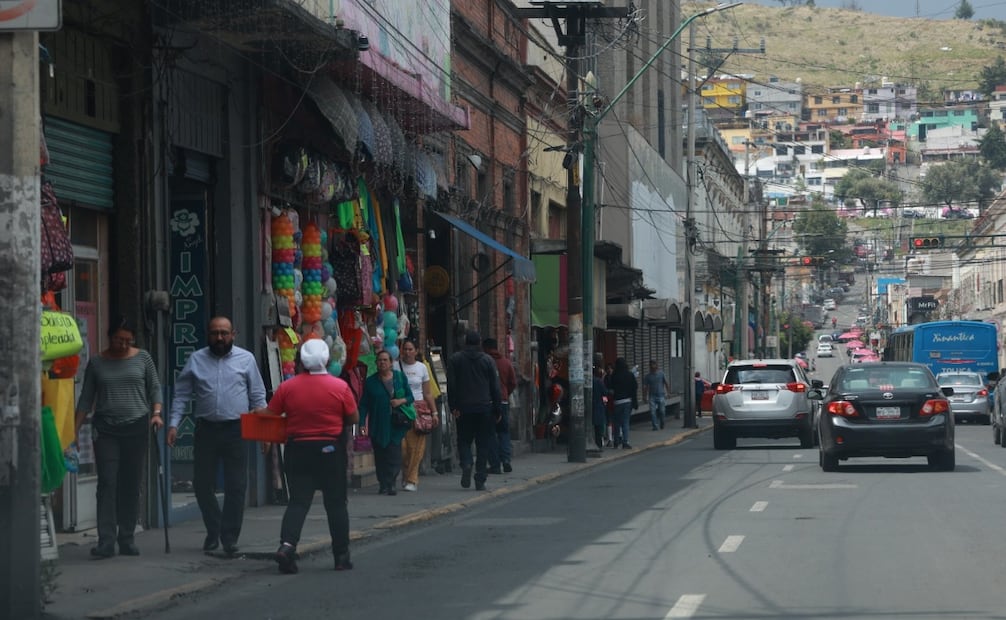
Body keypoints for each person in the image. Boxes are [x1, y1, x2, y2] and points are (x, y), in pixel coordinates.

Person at [253, 339, 359, 574]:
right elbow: (353, 418)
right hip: (330, 450)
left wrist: (254, 412)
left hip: (298, 450)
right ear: (327, 361)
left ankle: (287, 546)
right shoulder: (340, 387)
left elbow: (270, 413)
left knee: (299, 501)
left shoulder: (288, 387)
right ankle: (341, 556)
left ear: (300, 361)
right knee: (336, 504)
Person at [167, 316, 267, 556]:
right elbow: (181, 394)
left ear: (234, 334)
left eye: (224, 333)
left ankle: (230, 537)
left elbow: (258, 396)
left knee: (236, 485)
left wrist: (265, 433)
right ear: (208, 335)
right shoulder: (196, 359)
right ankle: (214, 530)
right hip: (207, 430)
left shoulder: (246, 359)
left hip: (236, 429)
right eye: (215, 333)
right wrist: (173, 424)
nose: (219, 337)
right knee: (202, 485)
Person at [74, 319, 163, 558]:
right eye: (118, 340)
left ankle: (127, 537)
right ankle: (106, 540)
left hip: (136, 426)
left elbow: (155, 387)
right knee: (107, 482)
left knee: (130, 483)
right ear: (109, 336)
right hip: (106, 429)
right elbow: (86, 398)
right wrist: (73, 429)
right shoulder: (97, 363)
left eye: (128, 340)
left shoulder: (143, 358)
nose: (123, 344)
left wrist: (156, 414)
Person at [447, 330, 502, 491]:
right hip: (484, 407)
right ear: (479, 343)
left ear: (465, 342)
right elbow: (495, 388)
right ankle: (480, 479)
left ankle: (466, 462)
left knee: (464, 440)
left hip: (464, 407)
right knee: (483, 444)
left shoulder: (455, 359)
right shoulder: (488, 360)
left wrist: (453, 406)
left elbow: (451, 385)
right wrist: (497, 409)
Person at [359, 349, 413, 495]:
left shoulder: (399, 378)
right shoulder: (371, 382)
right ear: (376, 363)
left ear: (391, 363)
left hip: (395, 424)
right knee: (380, 455)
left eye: (385, 360)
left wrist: (400, 401)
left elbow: (410, 397)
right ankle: (383, 483)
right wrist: (362, 424)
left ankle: (391, 483)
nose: (382, 363)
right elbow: (363, 405)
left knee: (394, 454)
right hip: (378, 424)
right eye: (379, 360)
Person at [398, 339, 437, 492]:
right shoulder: (395, 366)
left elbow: (427, 393)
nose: (407, 352)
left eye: (410, 349)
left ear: (416, 351)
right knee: (403, 447)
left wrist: (434, 412)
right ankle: (405, 473)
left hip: (418, 410)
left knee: (416, 447)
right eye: (405, 349)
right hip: (401, 410)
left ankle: (412, 479)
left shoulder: (422, 368)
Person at [484, 337, 517, 473]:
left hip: (488, 401)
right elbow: (513, 382)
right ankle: (506, 459)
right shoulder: (506, 363)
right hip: (503, 401)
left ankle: (495, 464)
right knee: (504, 432)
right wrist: (506, 393)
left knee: (490, 433)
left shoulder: (484, 362)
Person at [609, 357, 638, 449]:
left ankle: (616, 441)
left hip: (617, 401)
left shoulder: (614, 375)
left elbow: (610, 387)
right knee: (625, 422)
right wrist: (635, 402)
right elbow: (634, 388)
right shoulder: (630, 375)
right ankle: (625, 441)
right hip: (627, 401)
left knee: (616, 422)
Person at [642, 360, 670, 430]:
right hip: (652, 396)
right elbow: (645, 387)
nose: (652, 367)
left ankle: (662, 423)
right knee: (652, 412)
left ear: (656, 365)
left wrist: (668, 392)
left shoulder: (661, 374)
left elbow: (666, 383)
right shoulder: (648, 376)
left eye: (654, 365)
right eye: (651, 365)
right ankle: (655, 426)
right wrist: (644, 397)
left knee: (662, 411)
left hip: (661, 395)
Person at [591, 366, 610, 450]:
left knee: (594, 426)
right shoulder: (598, 381)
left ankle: (596, 442)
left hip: (590, 406)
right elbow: (605, 392)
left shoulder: (585, 381)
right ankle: (599, 443)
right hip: (598, 405)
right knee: (599, 426)